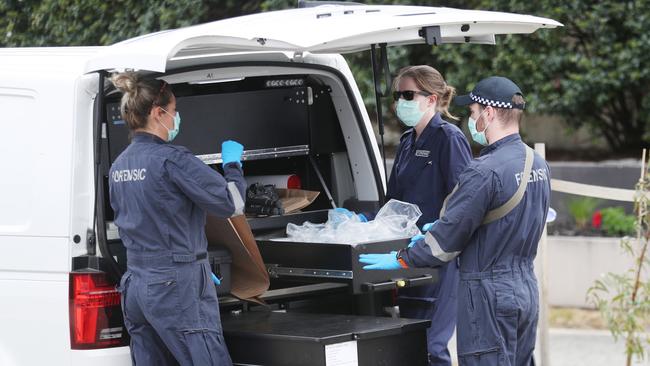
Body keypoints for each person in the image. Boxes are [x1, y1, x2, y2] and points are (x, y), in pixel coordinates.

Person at [360, 76, 551, 366]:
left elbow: (444, 244)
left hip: (488, 294)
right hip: (525, 288)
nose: (471, 120)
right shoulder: (536, 163)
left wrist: (402, 258)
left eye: (473, 113)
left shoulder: (484, 171)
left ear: (488, 114)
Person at [109, 72, 246, 366]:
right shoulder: (171, 159)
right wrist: (232, 165)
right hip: (175, 284)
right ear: (158, 113)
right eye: (174, 111)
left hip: (137, 286)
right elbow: (231, 203)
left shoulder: (119, 166)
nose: (176, 118)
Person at [347, 65, 472, 366]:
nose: (399, 101)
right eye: (397, 95)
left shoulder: (448, 139)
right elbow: (394, 203)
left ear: (431, 99)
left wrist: (439, 230)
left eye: (407, 94)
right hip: (407, 257)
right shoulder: (406, 142)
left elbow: (466, 201)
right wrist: (364, 221)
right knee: (411, 344)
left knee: (433, 347)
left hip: (441, 259)